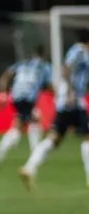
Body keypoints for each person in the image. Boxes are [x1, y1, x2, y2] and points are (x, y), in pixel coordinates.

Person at [20, 30, 89, 189]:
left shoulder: (81, 52)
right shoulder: (79, 51)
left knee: (55, 138)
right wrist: (71, 92)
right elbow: (67, 69)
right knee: (86, 136)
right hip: (73, 100)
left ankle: (29, 168)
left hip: (69, 100)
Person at [0, 45, 51, 166]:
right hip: (28, 98)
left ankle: (3, 150)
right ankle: (34, 154)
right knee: (27, 123)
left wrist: (2, 94)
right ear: (44, 55)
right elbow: (50, 85)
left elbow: (5, 76)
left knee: (27, 122)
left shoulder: (22, 63)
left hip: (16, 96)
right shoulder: (44, 66)